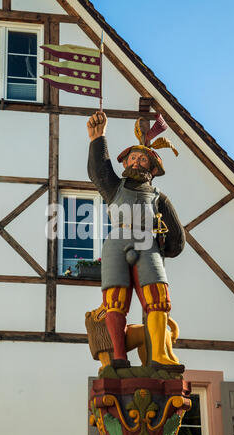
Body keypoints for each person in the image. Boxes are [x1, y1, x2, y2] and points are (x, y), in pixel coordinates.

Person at [87, 111, 185, 370]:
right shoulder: (114, 188)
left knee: (158, 299)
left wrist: (167, 246)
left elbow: (176, 234)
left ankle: (159, 356)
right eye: (133, 157)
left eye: (143, 159)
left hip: (146, 242)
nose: (137, 162)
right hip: (117, 242)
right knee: (115, 301)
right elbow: (99, 171)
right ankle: (119, 355)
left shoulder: (158, 198)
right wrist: (98, 139)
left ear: (153, 169)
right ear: (125, 163)